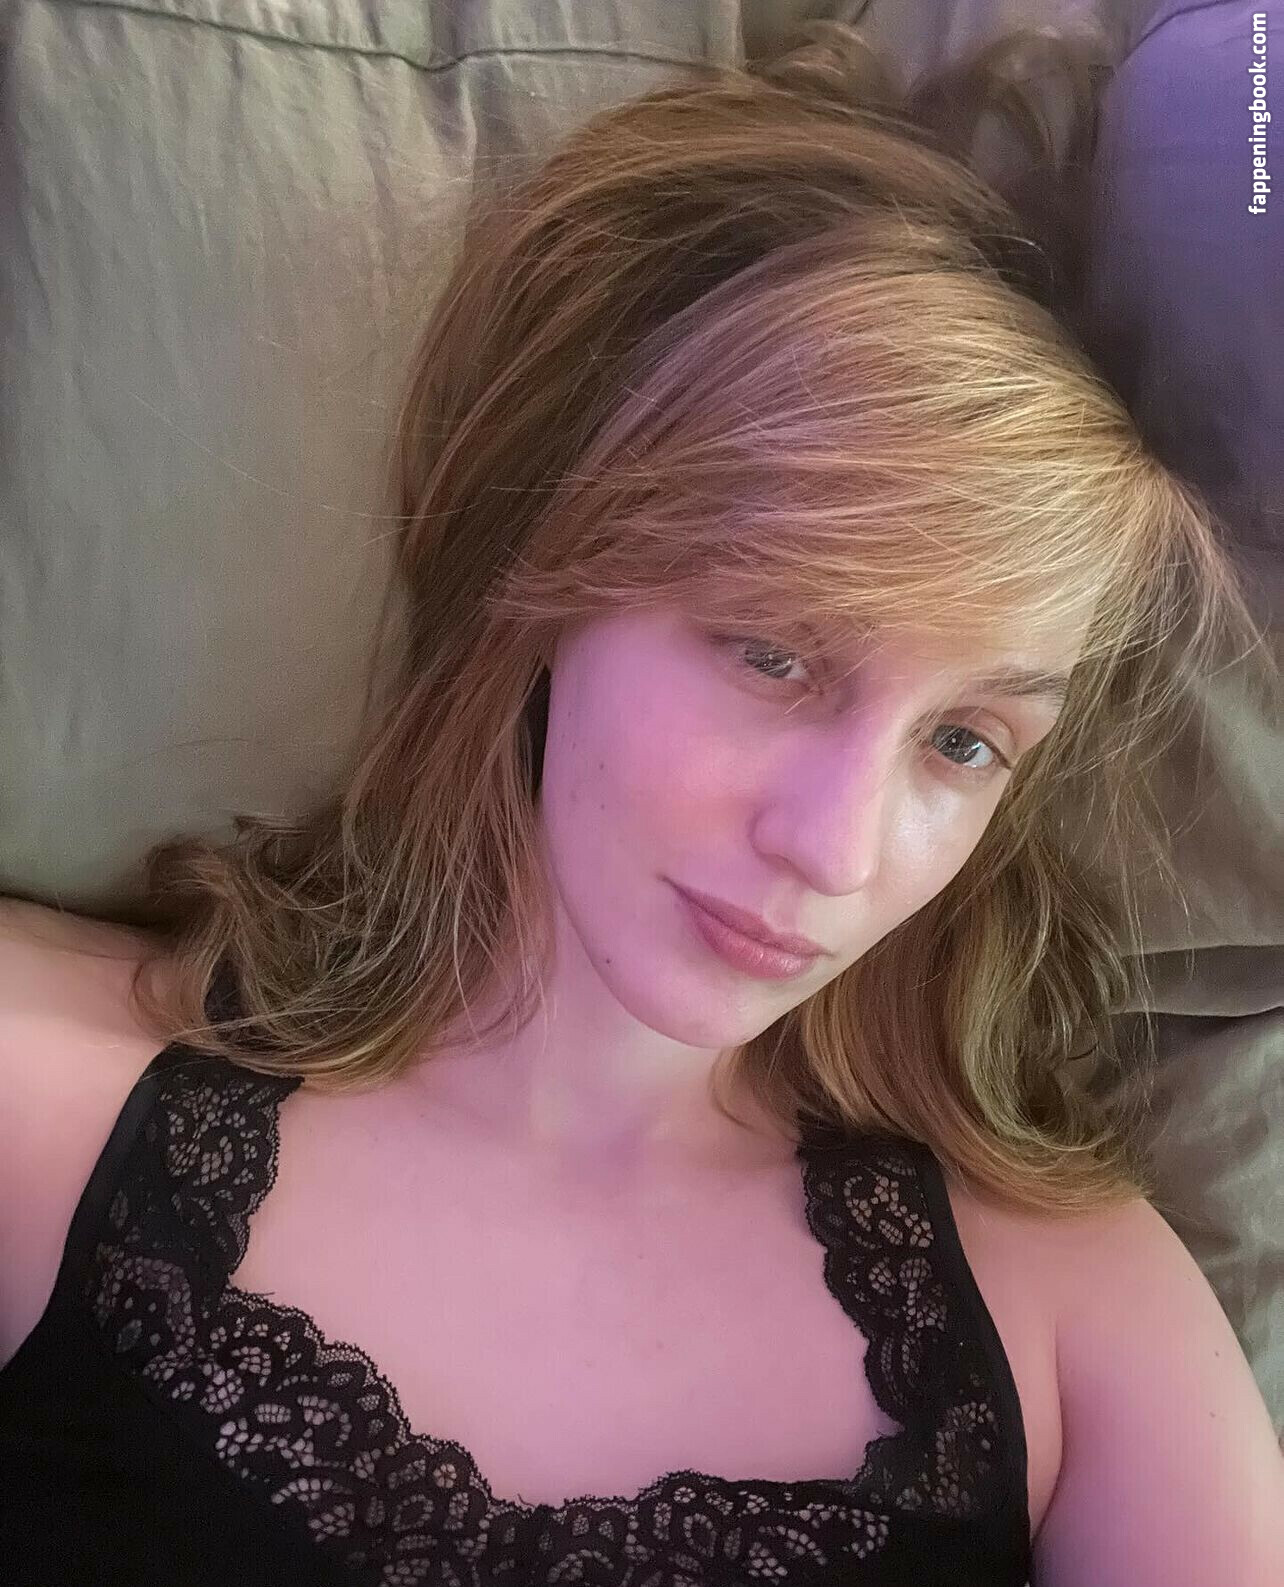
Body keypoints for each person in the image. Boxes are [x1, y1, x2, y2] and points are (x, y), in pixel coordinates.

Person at [1, 20, 1281, 1587]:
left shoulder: (1086, 1323)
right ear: (558, 566)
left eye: (962, 742)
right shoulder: (36, 1105)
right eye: (774, 655)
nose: (835, 849)